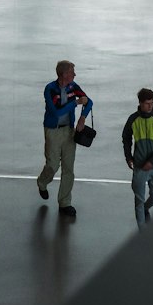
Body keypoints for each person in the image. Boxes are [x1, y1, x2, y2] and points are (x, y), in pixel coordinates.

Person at [36, 59, 93, 218]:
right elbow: (56, 112)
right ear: (64, 74)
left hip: (68, 131)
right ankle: (42, 182)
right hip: (52, 131)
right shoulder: (50, 89)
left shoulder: (73, 87)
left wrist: (82, 118)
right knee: (53, 165)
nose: (75, 74)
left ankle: (65, 203)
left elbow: (89, 102)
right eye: (72, 72)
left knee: (68, 168)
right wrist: (75, 103)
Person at [121, 89, 153, 230]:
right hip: (139, 167)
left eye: (152, 103)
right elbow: (126, 139)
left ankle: (145, 208)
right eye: (147, 103)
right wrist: (128, 157)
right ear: (140, 103)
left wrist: (152, 161)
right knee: (139, 200)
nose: (150, 106)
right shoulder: (133, 119)